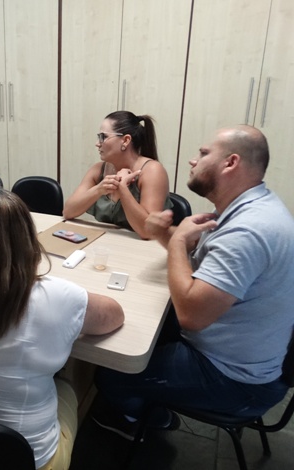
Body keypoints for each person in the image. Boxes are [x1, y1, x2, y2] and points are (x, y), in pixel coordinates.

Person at [93, 125, 294, 441]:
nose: (193, 160)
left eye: (203, 153)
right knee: (135, 326)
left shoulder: (248, 231)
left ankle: (146, 420)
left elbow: (191, 315)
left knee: (111, 372)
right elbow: (196, 252)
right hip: (235, 351)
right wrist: (164, 233)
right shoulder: (247, 208)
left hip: (234, 379)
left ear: (230, 163)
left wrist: (174, 243)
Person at [0, 187, 124, 470]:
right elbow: (114, 315)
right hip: (25, 458)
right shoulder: (59, 295)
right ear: (29, 235)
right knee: (67, 388)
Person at [63, 111, 172, 239]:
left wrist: (122, 188)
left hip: (142, 247)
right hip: (109, 243)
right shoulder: (98, 169)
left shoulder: (152, 171)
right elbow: (68, 212)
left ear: (125, 140)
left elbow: (148, 232)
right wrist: (98, 190)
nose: (97, 143)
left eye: (103, 137)